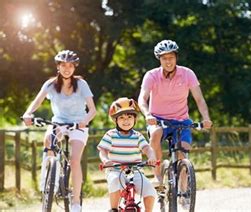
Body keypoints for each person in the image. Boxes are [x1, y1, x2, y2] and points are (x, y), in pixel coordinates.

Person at [22, 50, 96, 212]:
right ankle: (50, 177)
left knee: (75, 160)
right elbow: (37, 101)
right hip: (59, 123)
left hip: (78, 124)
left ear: (74, 67)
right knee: (49, 139)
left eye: (70, 65)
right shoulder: (50, 84)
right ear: (58, 66)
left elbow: (92, 110)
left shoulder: (81, 85)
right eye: (63, 65)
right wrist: (28, 113)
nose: (67, 68)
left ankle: (76, 202)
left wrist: (85, 121)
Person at [138, 39, 212, 184]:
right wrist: (147, 114)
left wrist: (206, 118)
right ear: (159, 59)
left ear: (176, 57)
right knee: (155, 133)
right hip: (158, 119)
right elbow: (142, 98)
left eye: (171, 57)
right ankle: (158, 175)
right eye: (164, 58)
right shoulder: (151, 75)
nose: (168, 61)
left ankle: (184, 187)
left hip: (181, 120)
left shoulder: (187, 74)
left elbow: (199, 99)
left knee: (182, 154)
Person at [98, 97, 157, 212]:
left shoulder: (138, 136)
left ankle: (148, 210)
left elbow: (147, 148)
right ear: (116, 120)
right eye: (122, 118)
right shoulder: (110, 135)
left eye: (129, 117)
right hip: (116, 170)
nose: (126, 121)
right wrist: (105, 160)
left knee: (150, 189)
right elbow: (103, 151)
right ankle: (114, 208)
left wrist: (151, 156)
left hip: (136, 171)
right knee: (114, 181)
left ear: (135, 119)